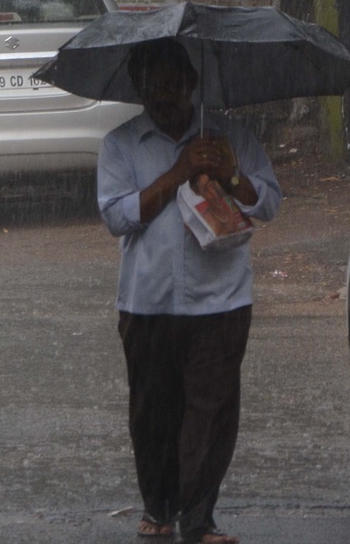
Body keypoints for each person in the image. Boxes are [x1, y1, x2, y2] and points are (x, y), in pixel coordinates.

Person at [97, 38, 282, 544]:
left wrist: (231, 174)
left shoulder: (229, 135)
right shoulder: (121, 145)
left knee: (212, 409)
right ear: (138, 89)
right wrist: (177, 174)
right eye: (152, 87)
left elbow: (268, 203)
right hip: (147, 300)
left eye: (173, 85)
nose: (164, 96)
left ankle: (199, 518)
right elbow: (116, 216)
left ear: (192, 84)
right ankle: (158, 505)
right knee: (153, 412)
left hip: (221, 300)